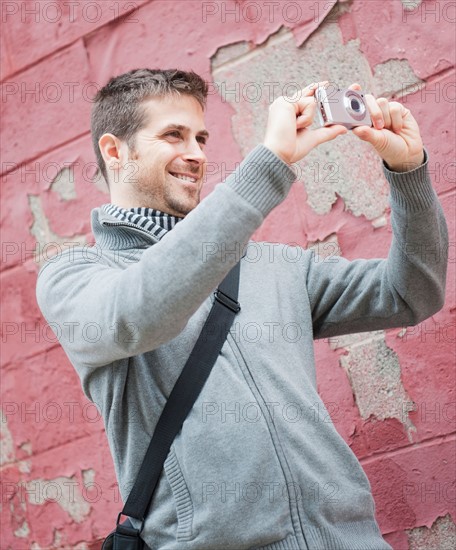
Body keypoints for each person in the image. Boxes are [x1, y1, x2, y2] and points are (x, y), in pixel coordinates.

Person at [36, 69, 448, 550]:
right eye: (174, 135)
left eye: (201, 138)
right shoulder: (75, 277)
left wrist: (409, 172)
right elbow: (141, 313)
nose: (196, 154)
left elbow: (412, 291)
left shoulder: (276, 266)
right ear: (115, 151)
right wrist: (269, 163)